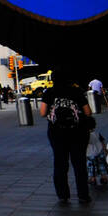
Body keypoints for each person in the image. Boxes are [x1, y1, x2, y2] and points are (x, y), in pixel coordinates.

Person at [38, 71, 95, 204]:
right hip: (78, 133)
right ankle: (83, 195)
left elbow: (42, 113)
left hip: (56, 133)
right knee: (79, 164)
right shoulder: (77, 91)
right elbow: (88, 112)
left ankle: (63, 195)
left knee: (60, 163)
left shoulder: (49, 92)